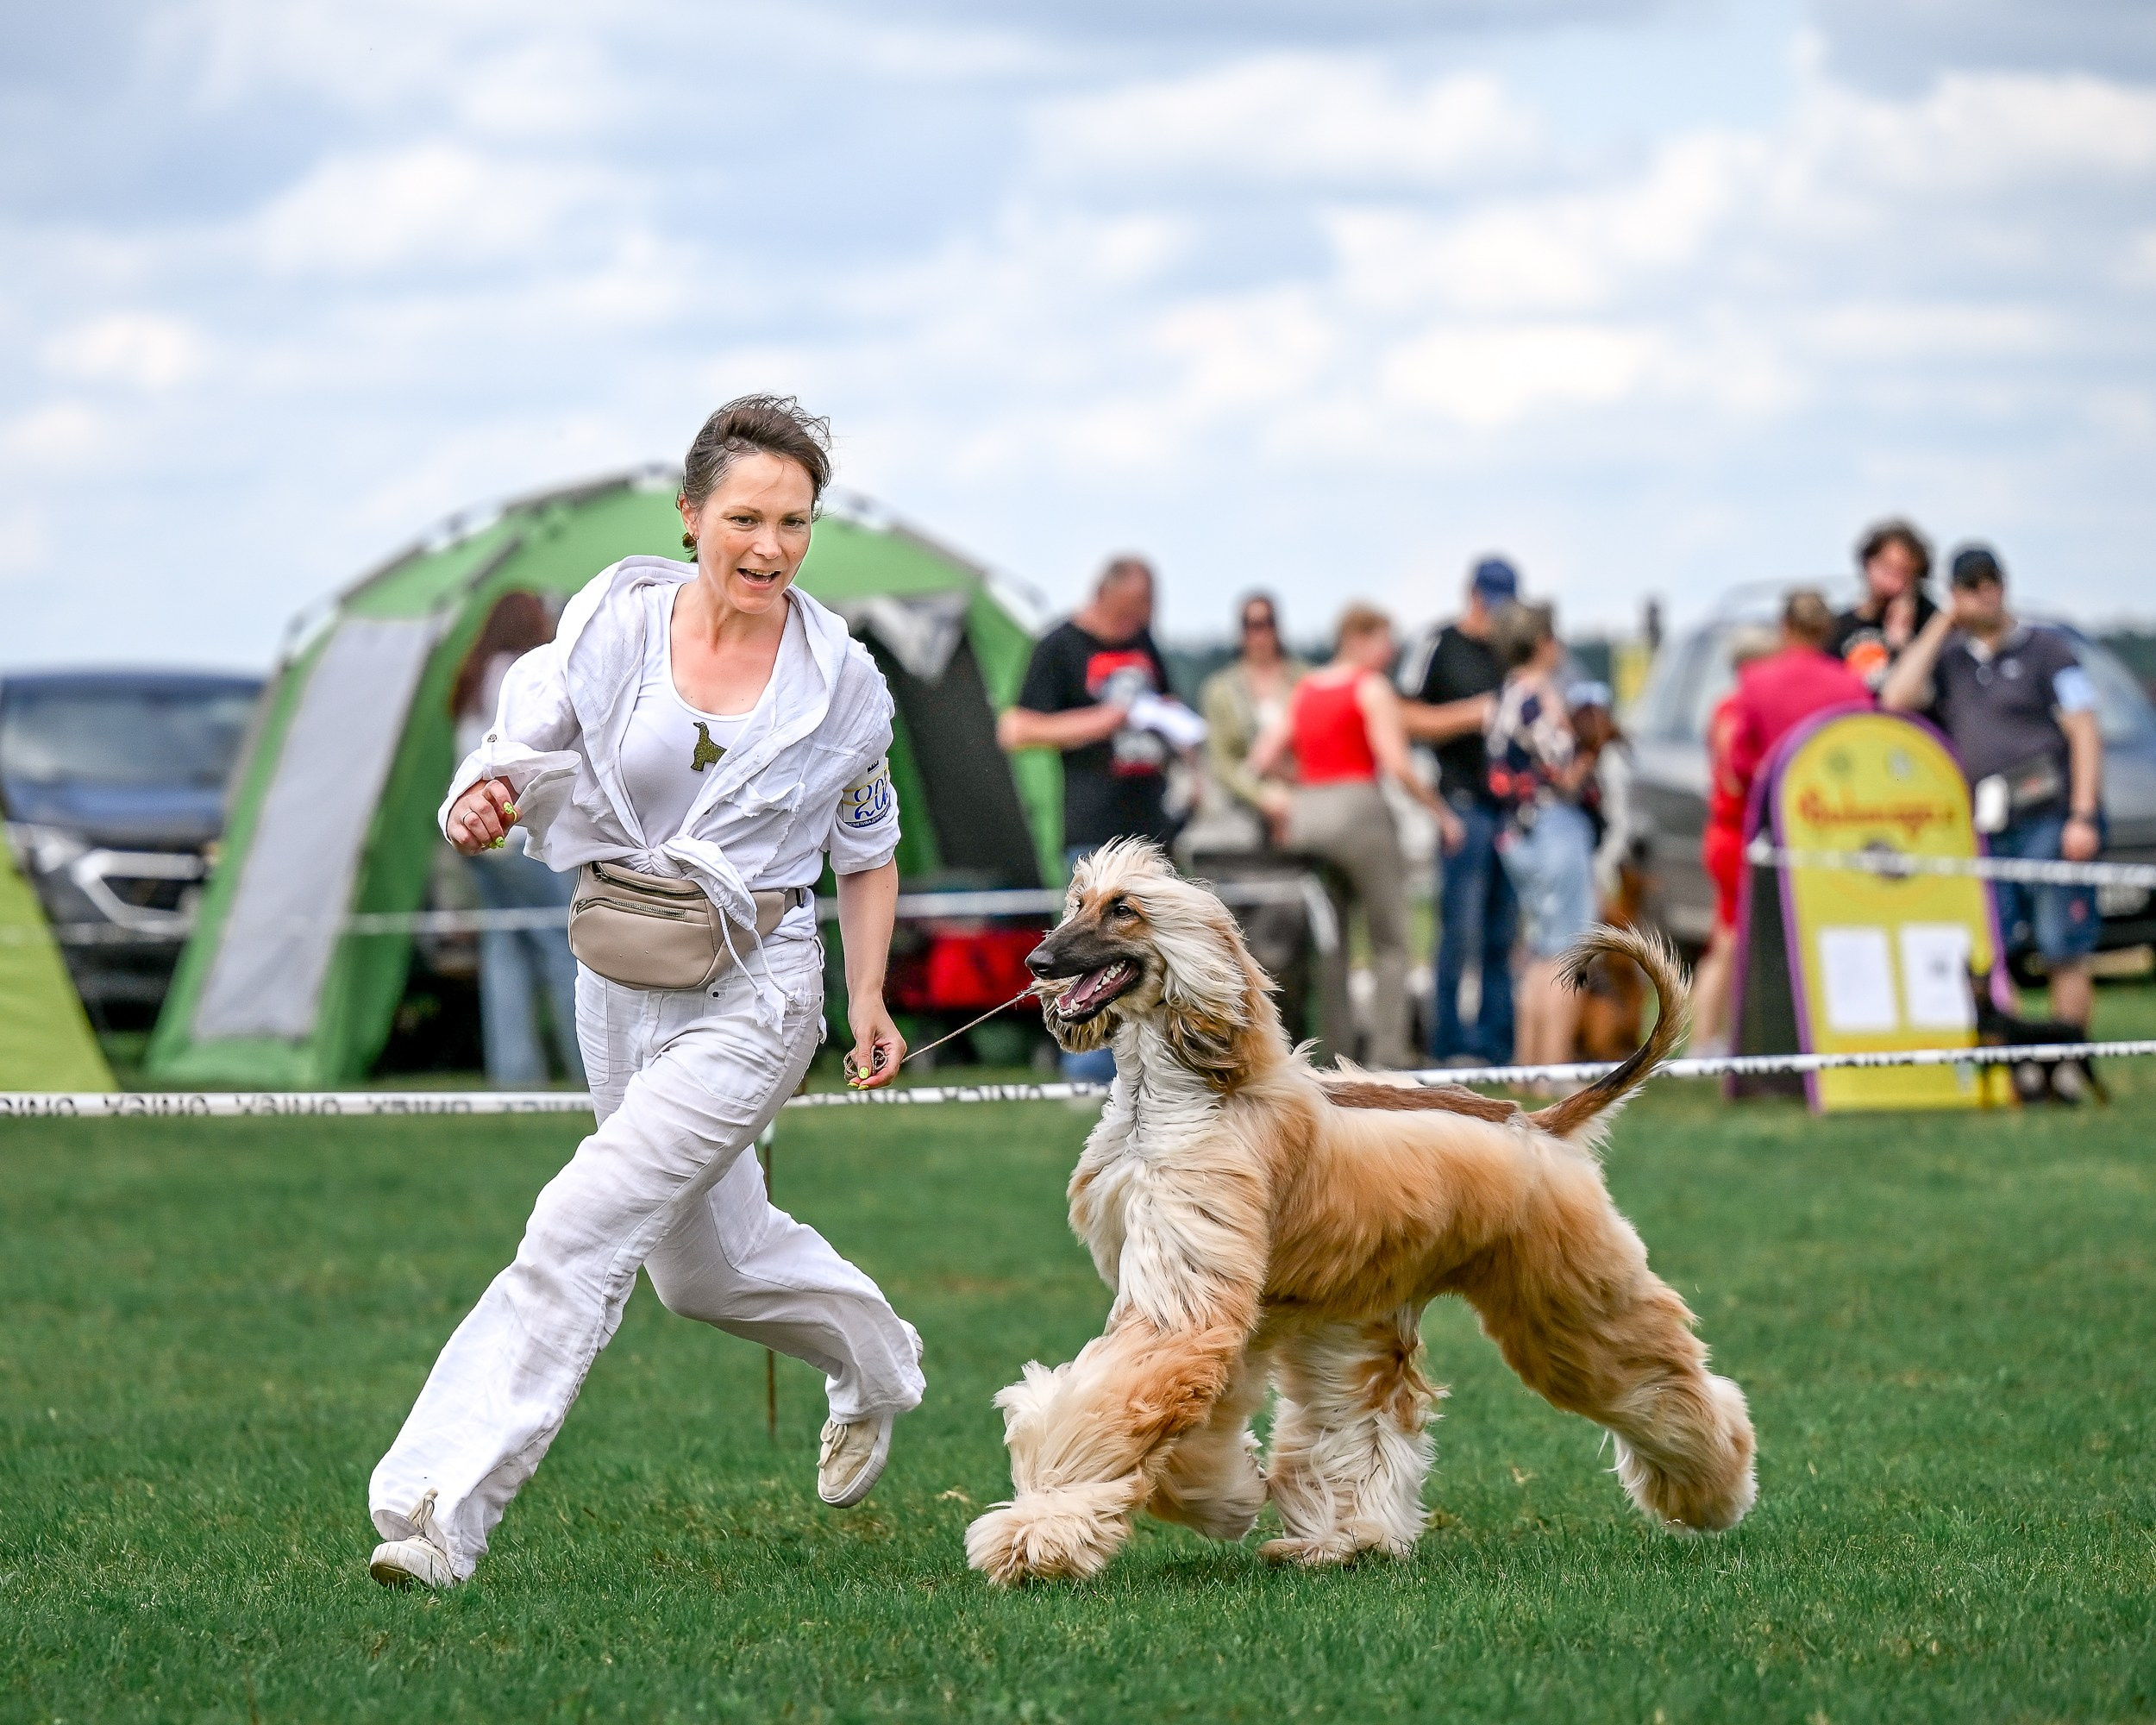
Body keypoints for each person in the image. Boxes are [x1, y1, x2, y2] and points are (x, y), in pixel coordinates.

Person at [367, 397, 925, 1590]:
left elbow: (868, 847)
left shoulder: (846, 685)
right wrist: (487, 793)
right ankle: (877, 1366)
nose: (770, 546)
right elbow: (524, 741)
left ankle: (436, 1510)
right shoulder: (612, 627)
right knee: (704, 1275)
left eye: (794, 521)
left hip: (758, 989)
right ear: (690, 516)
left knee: (582, 1220)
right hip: (616, 974)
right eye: (745, 518)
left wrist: (869, 997)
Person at [1882, 544, 2104, 1028]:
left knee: (2060, 945)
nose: (1985, 593)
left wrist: (2083, 815)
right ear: (1955, 593)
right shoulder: (1953, 658)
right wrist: (1942, 623)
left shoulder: (2050, 650)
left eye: (1991, 582)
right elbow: (1896, 697)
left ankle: (2067, 1067)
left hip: (2051, 816)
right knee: (1995, 949)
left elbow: (2085, 730)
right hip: (1988, 823)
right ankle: (2014, 1066)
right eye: (1971, 586)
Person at [1000, 555, 1200, 1082]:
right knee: (1087, 951)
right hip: (1092, 835)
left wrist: (1189, 759)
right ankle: (1085, 1070)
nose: (1145, 617)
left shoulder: (1143, 641)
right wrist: (1103, 720)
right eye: (1137, 607)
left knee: (1153, 954)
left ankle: (1158, 1070)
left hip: (1153, 826)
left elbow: (1169, 702)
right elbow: (1017, 730)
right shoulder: (1061, 645)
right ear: (1108, 596)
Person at [1250, 604, 1445, 1070]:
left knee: (1333, 946)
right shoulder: (1370, 687)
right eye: (1384, 640)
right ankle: (1387, 1056)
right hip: (1360, 813)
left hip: (1309, 817)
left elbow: (1263, 758)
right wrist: (1440, 813)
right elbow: (1396, 764)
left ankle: (1334, 1057)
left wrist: (1305, 784)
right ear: (1358, 638)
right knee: (1391, 941)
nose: (1391, 651)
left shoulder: (1306, 688)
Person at [450, 592, 586, 1088]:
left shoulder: (472, 676)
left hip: (473, 835)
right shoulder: (522, 671)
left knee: (505, 949)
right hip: (511, 833)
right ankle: (584, 1067)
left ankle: (514, 1074)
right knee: (562, 944)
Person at [1401, 557, 1517, 1064]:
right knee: (1458, 930)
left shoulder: (1514, 651)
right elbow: (1404, 715)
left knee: (1502, 933)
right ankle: (1447, 1044)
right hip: (1462, 802)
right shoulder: (1439, 644)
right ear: (1470, 595)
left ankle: (1496, 1044)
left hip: (1511, 810)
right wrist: (1470, 715)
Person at [1483, 601, 1599, 1079]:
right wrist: (1596, 745)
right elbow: (1565, 772)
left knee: (1538, 951)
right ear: (1542, 643)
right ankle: (1555, 1069)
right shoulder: (1539, 698)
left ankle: (1527, 1067)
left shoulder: (1502, 698)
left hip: (1517, 832)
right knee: (1570, 949)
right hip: (1555, 827)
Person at [1690, 625, 1780, 1056]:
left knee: (1724, 938)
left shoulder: (1725, 706)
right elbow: (1734, 773)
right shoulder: (1740, 708)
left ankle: (1714, 1035)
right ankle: (1705, 1039)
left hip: (1726, 833)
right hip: (1735, 834)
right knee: (1727, 941)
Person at [1199, 592, 1310, 842]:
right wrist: (1262, 796)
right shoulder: (1220, 690)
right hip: (1243, 799)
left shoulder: (1306, 681)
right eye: (1251, 625)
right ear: (1241, 631)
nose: (1260, 634)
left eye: (1267, 623)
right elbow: (1222, 762)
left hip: (1300, 791)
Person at [1829, 518, 1937, 693]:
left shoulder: (1930, 623)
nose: (1894, 583)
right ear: (1868, 564)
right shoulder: (1837, 628)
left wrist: (1903, 643)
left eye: (1905, 573)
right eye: (1887, 569)